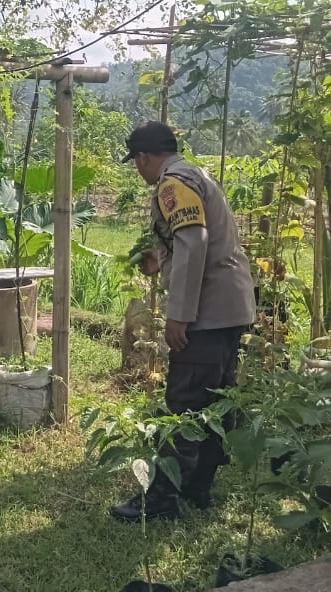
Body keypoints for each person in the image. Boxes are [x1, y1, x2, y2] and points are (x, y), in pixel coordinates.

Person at [110, 121, 257, 521]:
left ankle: (159, 501)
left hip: (206, 314)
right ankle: (197, 489)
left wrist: (179, 315)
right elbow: (193, 239)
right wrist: (161, 258)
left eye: (136, 162)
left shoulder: (172, 184)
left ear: (144, 158)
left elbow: (194, 242)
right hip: (231, 308)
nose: (138, 170)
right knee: (214, 404)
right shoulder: (196, 174)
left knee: (184, 407)